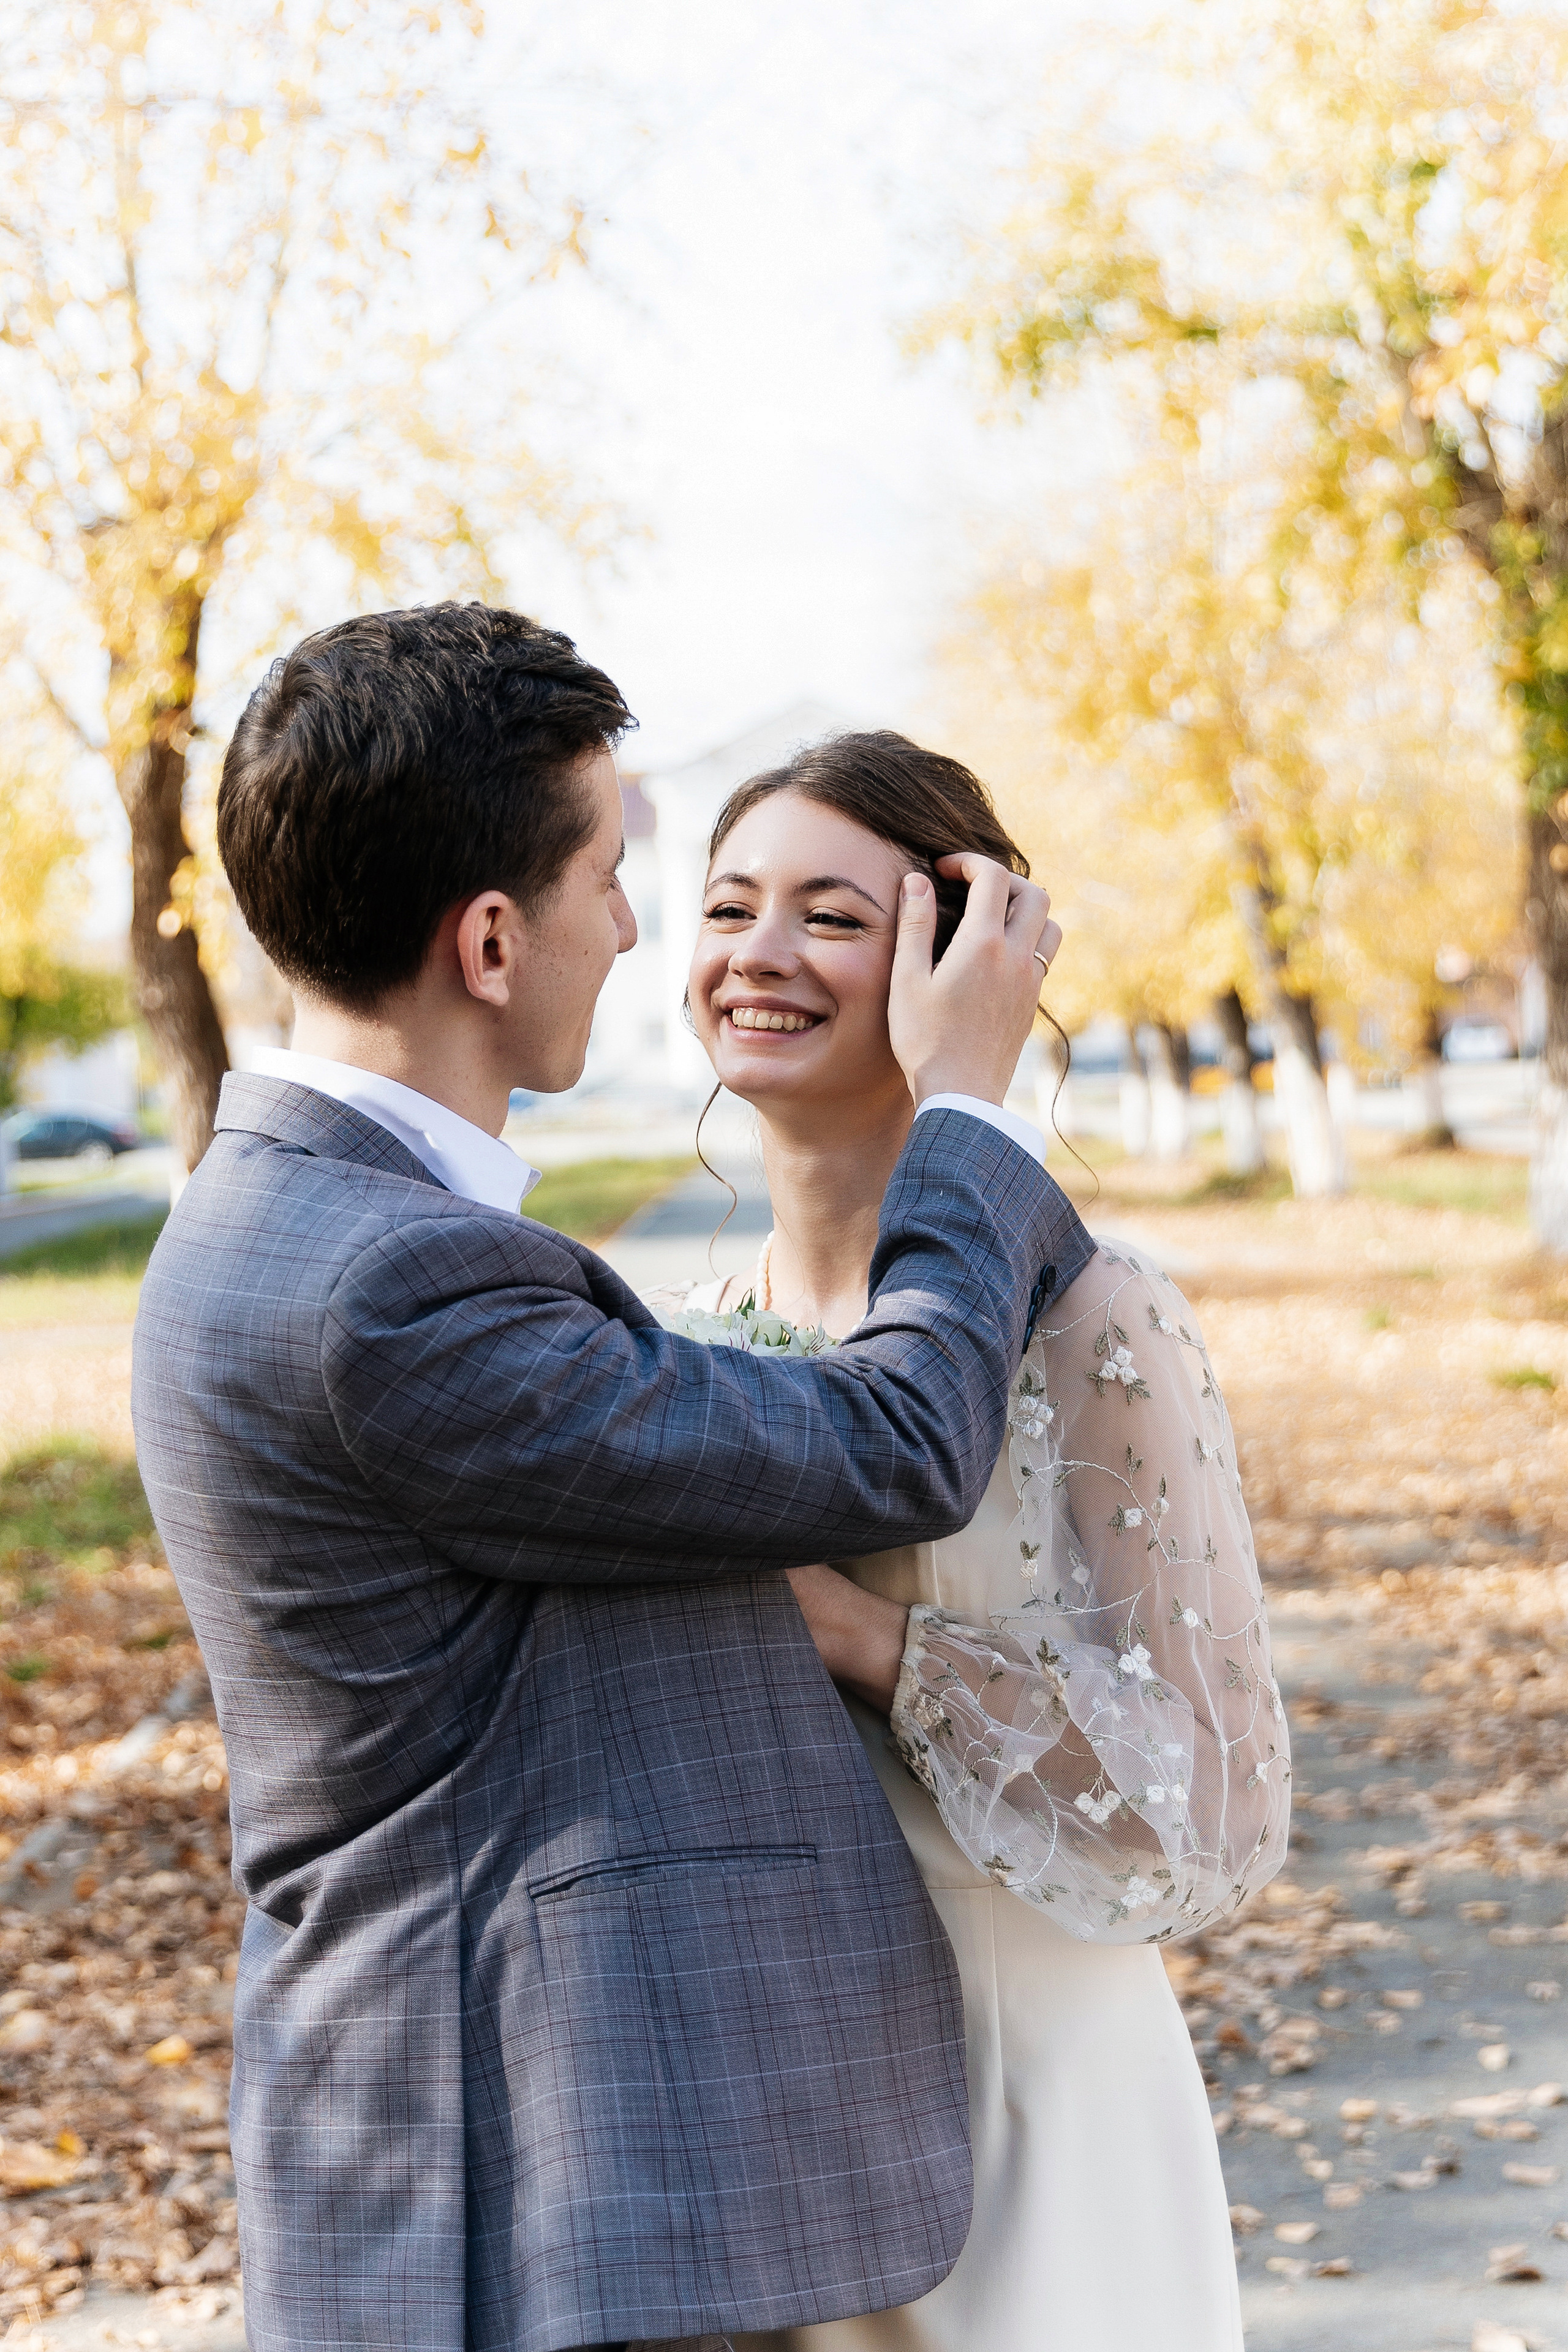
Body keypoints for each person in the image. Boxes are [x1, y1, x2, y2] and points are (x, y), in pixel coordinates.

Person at [130, 603, 1091, 2352]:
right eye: (610, 879)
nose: (639, 927)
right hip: (512, 2173)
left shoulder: (295, 1218)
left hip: (500, 2154)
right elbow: (900, 1446)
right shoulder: (386, 1287)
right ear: (490, 941)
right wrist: (969, 1115)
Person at [665, 731, 1291, 2352]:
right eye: (730, 908)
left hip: (1038, 2095)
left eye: (830, 915)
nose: (760, 955)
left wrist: (861, 1636)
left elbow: (1206, 1804)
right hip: (784, 2114)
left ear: (954, 959)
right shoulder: (693, 1344)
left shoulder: (1092, 1315)